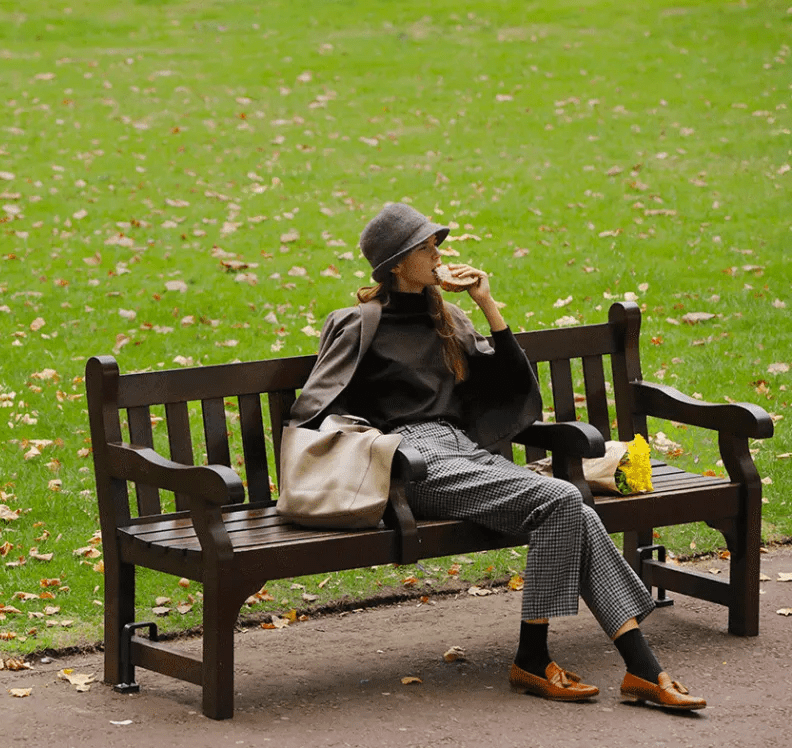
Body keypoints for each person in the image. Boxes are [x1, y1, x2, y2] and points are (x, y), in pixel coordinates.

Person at [287, 202, 706, 710]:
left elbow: (510, 386)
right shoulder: (358, 323)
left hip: (461, 451)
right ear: (398, 264)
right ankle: (547, 660)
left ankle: (638, 670)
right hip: (407, 463)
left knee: (570, 506)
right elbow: (313, 407)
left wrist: (487, 304)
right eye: (427, 247)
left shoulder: (449, 317)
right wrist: (373, 447)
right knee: (560, 499)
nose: (439, 254)